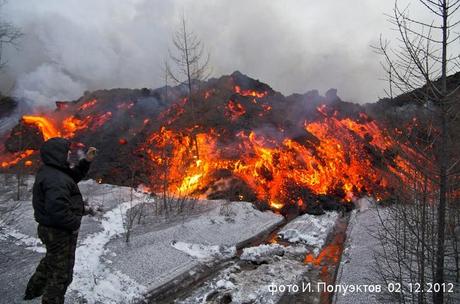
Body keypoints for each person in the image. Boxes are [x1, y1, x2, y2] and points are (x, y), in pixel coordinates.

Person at [24, 137, 97, 303]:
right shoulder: (55, 178)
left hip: (51, 229)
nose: (69, 153)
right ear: (57, 154)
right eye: (66, 151)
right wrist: (74, 223)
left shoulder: (52, 171)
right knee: (62, 275)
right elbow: (58, 211)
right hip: (59, 231)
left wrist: (86, 161)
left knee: (51, 260)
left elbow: (72, 177)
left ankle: (32, 293)